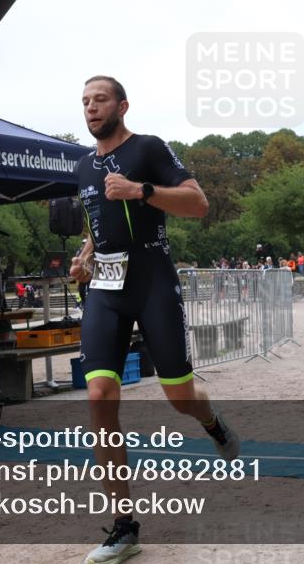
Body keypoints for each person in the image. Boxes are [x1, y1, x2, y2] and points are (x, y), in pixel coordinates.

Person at [70, 75, 239, 563]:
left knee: (179, 396)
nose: (91, 107)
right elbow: (96, 224)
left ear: (122, 105)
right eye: (84, 101)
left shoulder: (149, 148)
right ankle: (125, 527)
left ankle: (210, 419)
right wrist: (86, 256)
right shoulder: (82, 166)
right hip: (105, 288)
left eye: (100, 99)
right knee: (100, 395)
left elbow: (198, 203)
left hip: (152, 282)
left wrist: (141, 190)